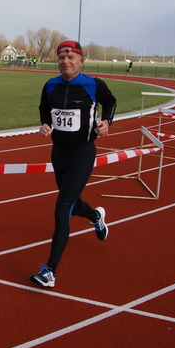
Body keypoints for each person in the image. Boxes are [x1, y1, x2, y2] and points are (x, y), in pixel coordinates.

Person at [30, 40, 117, 288]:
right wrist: (45, 124)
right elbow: (44, 108)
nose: (65, 62)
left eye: (71, 58)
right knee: (75, 204)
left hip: (82, 153)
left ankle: (50, 271)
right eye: (61, 58)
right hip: (59, 153)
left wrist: (106, 122)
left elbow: (110, 102)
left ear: (81, 61)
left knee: (62, 208)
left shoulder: (93, 85)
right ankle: (95, 215)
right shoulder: (50, 85)